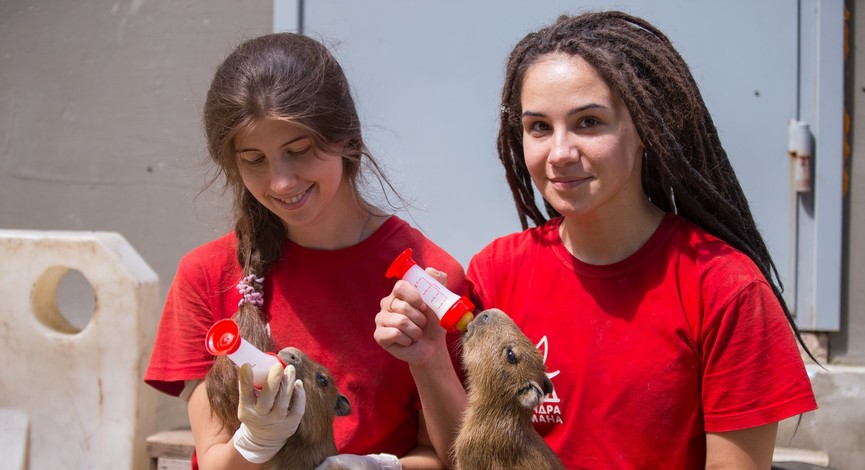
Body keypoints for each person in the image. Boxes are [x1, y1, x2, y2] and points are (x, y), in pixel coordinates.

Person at [375, 10, 818, 469]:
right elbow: (468, 458)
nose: (561, 153)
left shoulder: (727, 289)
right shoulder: (496, 273)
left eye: (588, 122)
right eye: (539, 127)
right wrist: (427, 357)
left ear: (646, 128)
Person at [144, 32, 470, 470]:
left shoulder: (428, 278)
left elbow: (454, 456)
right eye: (254, 160)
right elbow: (215, 459)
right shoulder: (206, 274)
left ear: (346, 138)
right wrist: (256, 442)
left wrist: (374, 466)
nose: (281, 182)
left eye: (298, 151)